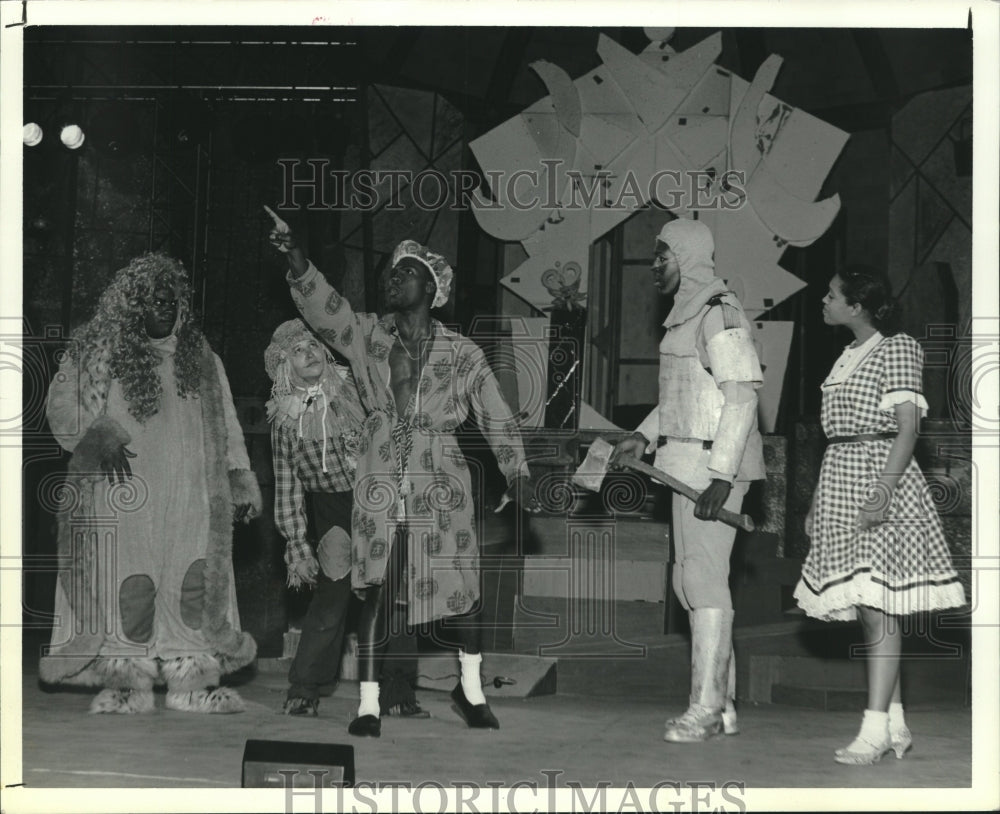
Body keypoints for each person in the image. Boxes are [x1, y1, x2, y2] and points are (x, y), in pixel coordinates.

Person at [266, 209, 537, 737]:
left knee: (461, 588)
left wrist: (517, 470)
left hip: (441, 476)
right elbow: (326, 311)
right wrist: (298, 260)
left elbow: (495, 413)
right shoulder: (367, 336)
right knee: (376, 585)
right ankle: (368, 705)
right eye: (390, 271)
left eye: (405, 271)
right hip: (381, 469)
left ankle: (472, 691)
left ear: (432, 286)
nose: (392, 277)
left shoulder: (462, 353)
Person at [42, 253, 260, 714]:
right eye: (154, 300)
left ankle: (192, 684)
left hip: (191, 496)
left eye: (172, 300)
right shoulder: (96, 350)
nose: (165, 307)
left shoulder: (201, 357)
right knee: (130, 584)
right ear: (134, 305)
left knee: (193, 583)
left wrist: (239, 480)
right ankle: (126, 683)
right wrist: (99, 437)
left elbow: (227, 424)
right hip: (124, 497)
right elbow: (60, 408)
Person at [793, 265, 965, 765]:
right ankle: (894, 725)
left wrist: (883, 494)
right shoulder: (846, 356)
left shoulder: (898, 348)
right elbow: (835, 440)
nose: (824, 301)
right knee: (870, 609)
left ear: (857, 306)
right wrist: (815, 504)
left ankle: (872, 732)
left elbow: (908, 428)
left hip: (880, 481)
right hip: (841, 481)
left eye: (831, 295)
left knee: (880, 608)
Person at [612, 217, 765, 743]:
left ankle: (705, 710)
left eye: (663, 256)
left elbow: (742, 393)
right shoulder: (688, 317)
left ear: (690, 257)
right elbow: (684, 398)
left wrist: (722, 475)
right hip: (684, 466)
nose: (655, 266)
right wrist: (642, 436)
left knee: (702, 580)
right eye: (655, 256)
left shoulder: (720, 314)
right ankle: (721, 708)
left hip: (711, 469)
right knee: (691, 582)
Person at [266, 319, 428, 719]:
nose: (310, 354)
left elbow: (393, 432)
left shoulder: (355, 392)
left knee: (389, 597)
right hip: (331, 511)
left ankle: (397, 691)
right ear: (284, 365)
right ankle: (306, 687)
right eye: (298, 350)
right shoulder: (284, 420)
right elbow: (287, 485)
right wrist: (297, 542)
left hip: (374, 500)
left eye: (315, 346)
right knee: (332, 595)